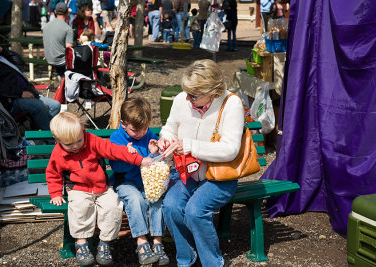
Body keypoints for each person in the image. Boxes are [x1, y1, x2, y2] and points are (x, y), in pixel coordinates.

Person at [157, 59, 245, 267]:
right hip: (186, 173)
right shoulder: (182, 99)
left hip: (219, 176)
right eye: (186, 92)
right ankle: (186, 260)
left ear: (212, 92)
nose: (187, 98)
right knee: (170, 206)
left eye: (194, 95)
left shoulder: (231, 104)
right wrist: (165, 139)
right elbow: (170, 128)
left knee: (196, 211)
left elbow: (230, 150)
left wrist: (189, 146)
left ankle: (212, 262)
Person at [46, 111, 153, 266]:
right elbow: (53, 173)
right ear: (57, 140)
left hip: (102, 187)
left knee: (113, 206)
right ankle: (81, 243)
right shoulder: (58, 153)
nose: (75, 146)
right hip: (78, 188)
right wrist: (55, 193)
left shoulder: (91, 141)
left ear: (83, 130)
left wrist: (139, 160)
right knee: (79, 207)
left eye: (78, 141)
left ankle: (105, 243)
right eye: (69, 145)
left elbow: (113, 150)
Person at [109, 98, 169, 266]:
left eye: (145, 128)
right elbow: (117, 167)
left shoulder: (148, 134)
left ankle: (157, 242)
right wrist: (129, 156)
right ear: (123, 123)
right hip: (126, 182)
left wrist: (153, 153)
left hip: (146, 183)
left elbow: (152, 162)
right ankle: (142, 242)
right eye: (136, 130)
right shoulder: (117, 138)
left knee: (156, 200)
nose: (141, 133)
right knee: (136, 200)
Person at [0, 33, 61, 131]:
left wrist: (3, 51)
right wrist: (20, 93)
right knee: (38, 106)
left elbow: (19, 61)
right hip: (10, 100)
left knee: (55, 106)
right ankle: (49, 138)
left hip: (26, 91)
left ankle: (40, 133)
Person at [43, 2, 74, 79]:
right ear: (67, 12)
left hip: (49, 58)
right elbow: (69, 49)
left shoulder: (46, 26)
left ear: (55, 12)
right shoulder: (68, 29)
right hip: (60, 61)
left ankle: (61, 80)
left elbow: (45, 44)